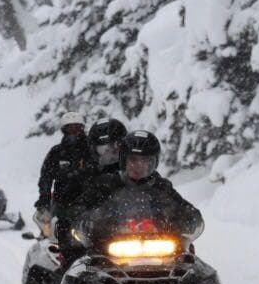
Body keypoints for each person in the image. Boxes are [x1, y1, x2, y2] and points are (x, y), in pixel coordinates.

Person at [73, 129, 203, 246]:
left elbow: (188, 212)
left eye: (145, 160)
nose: (139, 165)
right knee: (81, 269)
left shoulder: (161, 187)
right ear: (124, 161)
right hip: (110, 252)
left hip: (159, 249)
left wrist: (182, 221)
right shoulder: (107, 184)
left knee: (197, 269)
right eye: (133, 160)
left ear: (153, 162)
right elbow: (79, 210)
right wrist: (93, 222)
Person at [34, 111, 96, 264]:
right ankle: (64, 265)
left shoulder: (92, 151)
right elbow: (46, 178)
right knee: (62, 234)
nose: (73, 133)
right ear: (64, 131)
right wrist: (44, 198)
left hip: (91, 203)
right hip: (64, 204)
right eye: (70, 129)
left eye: (76, 129)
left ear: (82, 129)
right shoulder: (56, 152)